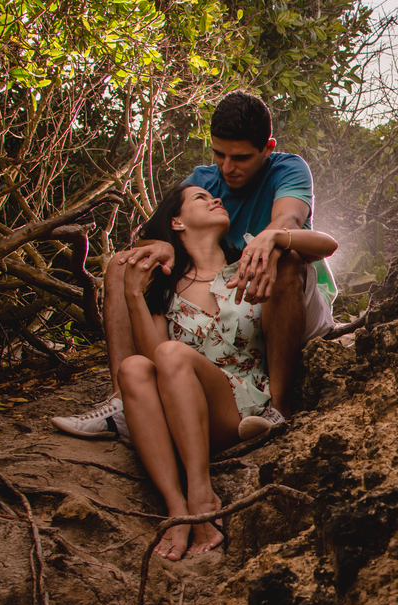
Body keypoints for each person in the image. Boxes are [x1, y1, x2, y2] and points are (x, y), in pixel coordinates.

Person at [51, 90, 336, 440]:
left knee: (284, 258)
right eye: (219, 154)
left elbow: (289, 218)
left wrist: (270, 238)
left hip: (293, 300)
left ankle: (279, 408)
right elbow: (156, 232)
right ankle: (122, 402)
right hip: (232, 300)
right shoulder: (204, 180)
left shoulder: (287, 168)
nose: (228, 168)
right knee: (122, 264)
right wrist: (161, 245)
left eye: (241, 157)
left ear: (267, 148)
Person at [121, 181, 337, 560]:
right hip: (193, 414)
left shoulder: (251, 262)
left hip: (247, 409)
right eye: (201, 198)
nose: (216, 198)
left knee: (171, 353)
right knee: (133, 367)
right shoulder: (166, 291)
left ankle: (201, 493)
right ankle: (177, 507)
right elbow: (153, 363)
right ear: (176, 222)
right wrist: (134, 294)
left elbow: (327, 245)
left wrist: (275, 236)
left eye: (213, 195)